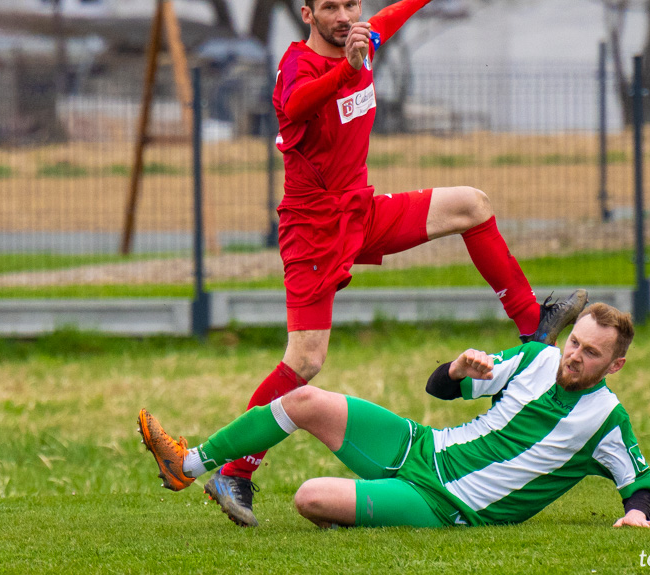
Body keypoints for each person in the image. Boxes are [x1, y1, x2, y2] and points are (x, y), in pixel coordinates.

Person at [174, 0, 588, 527]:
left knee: (472, 205)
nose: (344, 15)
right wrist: (346, 68)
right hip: (314, 229)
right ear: (307, 14)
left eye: (351, 3)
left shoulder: (362, 39)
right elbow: (296, 105)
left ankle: (534, 326)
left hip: (360, 211)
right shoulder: (298, 65)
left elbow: (394, 16)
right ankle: (235, 470)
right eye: (330, 7)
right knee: (304, 361)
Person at [138, 303, 650, 529]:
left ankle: (365, 510)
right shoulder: (535, 358)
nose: (574, 355)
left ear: (615, 364)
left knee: (309, 498)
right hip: (420, 446)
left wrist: (637, 514)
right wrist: (457, 369)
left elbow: (636, 484)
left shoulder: (606, 420)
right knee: (303, 400)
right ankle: (187, 466)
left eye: (591, 353)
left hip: (442, 503)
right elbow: (438, 387)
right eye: (574, 342)